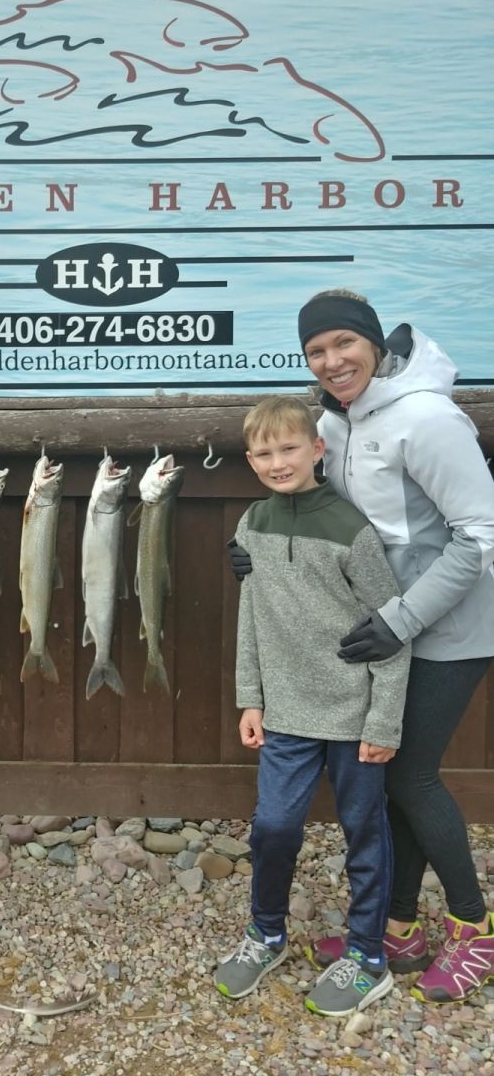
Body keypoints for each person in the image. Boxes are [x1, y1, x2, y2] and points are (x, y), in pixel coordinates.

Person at [231, 289, 494, 1004]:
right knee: (394, 779)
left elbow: (481, 533)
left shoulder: (429, 420)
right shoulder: (331, 422)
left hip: (448, 629)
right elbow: (316, 511)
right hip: (386, 633)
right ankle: (399, 927)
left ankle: (475, 929)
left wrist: (403, 618)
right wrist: (260, 552)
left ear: (375, 345)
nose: (332, 360)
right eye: (316, 350)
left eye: (344, 343)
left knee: (408, 778)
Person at [215, 396, 411, 1017]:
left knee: (364, 834)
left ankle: (367, 957)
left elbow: (392, 629)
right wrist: (251, 697)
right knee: (273, 827)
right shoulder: (252, 525)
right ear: (251, 461)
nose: (278, 462)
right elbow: (251, 616)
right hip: (287, 715)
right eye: (265, 453)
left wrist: (384, 720)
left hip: (355, 717)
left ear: (318, 449)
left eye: (289, 448)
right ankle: (265, 934)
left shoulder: (352, 531)